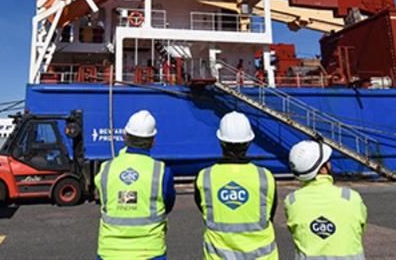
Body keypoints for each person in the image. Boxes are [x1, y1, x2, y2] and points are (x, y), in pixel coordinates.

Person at [194, 112, 278, 260]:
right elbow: (269, 216)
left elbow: (205, 212)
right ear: (249, 142)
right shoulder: (265, 177)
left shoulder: (205, 177)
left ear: (221, 141)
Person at [95, 110, 175, 260]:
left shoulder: (106, 168)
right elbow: (167, 205)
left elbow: (105, 200)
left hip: (110, 251)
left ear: (125, 136)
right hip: (150, 251)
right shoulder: (161, 171)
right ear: (153, 141)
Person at [284, 140, 367, 260]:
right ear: (322, 169)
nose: (330, 164)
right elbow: (359, 229)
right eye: (328, 162)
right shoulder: (351, 197)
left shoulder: (292, 201)